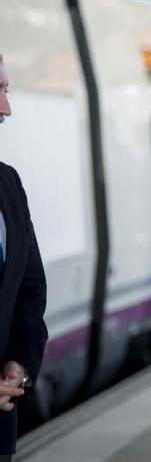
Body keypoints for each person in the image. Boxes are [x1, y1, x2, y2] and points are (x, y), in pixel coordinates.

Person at [0, 52, 48, 462]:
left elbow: (30, 291)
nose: (6, 109)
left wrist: (19, 364)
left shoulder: (8, 184)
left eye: (6, 91)